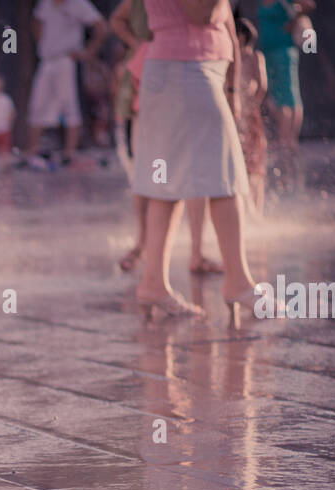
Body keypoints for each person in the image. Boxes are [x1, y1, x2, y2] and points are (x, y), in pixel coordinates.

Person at [133, 0, 256, 320]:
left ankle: (153, 283)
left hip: (188, 67)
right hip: (186, 69)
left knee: (170, 182)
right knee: (224, 175)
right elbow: (199, 11)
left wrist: (231, 86)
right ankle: (239, 282)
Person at [111, 0, 223, 276]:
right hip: (174, 65)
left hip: (165, 65)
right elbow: (202, 13)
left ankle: (157, 256)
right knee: (170, 171)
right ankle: (152, 253)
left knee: (162, 171)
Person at [26, 0, 108, 170]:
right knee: (37, 105)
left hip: (66, 60)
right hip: (47, 60)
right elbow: (37, 22)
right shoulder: (46, 3)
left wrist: (89, 51)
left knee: (70, 106)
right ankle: (33, 152)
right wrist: (43, 44)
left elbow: (101, 26)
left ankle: (69, 153)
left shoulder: (78, 4)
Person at [255, 0, 310, 154]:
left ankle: (289, 138)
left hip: (285, 49)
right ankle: (283, 137)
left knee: (289, 93)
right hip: (267, 50)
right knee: (276, 94)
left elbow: (309, 5)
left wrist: (293, 21)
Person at [236, 18, 268, 215]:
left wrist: (252, 106)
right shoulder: (235, 58)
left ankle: (257, 211)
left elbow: (262, 85)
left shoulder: (254, 57)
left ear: (240, 37)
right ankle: (247, 210)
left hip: (249, 116)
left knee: (255, 166)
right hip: (239, 116)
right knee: (243, 165)